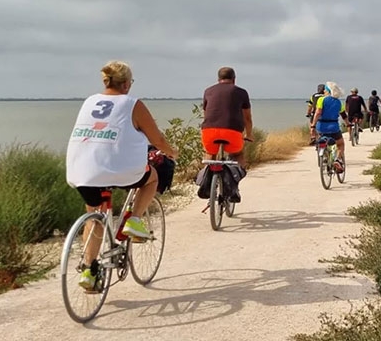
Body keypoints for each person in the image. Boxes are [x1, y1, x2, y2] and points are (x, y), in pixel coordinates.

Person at [66, 60, 179, 290]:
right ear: (127, 83)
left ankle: (89, 270)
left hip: (82, 170)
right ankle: (134, 220)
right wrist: (172, 152)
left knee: (95, 213)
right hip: (121, 171)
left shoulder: (89, 101)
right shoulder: (132, 103)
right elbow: (157, 139)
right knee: (153, 177)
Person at [201, 66, 254, 169]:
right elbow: (247, 118)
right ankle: (236, 180)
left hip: (209, 131)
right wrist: (249, 134)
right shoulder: (241, 92)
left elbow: (206, 114)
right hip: (232, 132)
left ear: (218, 79)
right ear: (234, 79)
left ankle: (206, 180)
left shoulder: (208, 91)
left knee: (210, 154)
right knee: (237, 154)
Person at [310, 81, 348, 172]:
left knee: (323, 140)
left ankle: (326, 156)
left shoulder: (321, 100)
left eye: (325, 90)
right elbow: (344, 116)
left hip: (321, 127)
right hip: (334, 127)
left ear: (328, 91)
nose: (323, 91)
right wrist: (348, 124)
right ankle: (338, 160)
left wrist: (313, 126)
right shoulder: (338, 102)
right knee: (340, 144)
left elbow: (318, 113)